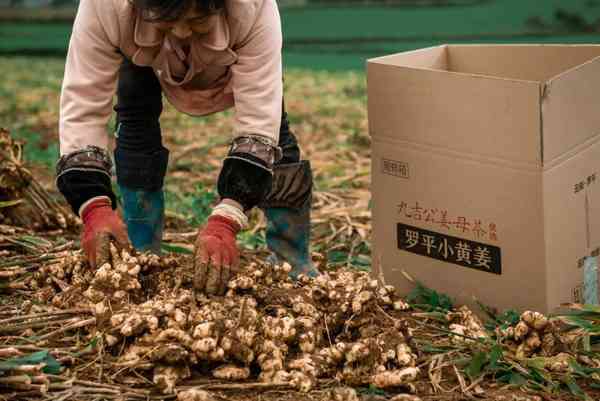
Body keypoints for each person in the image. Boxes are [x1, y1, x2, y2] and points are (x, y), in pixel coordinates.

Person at [55, 0, 319, 294]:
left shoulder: (253, 8)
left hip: (227, 61)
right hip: (142, 52)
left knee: (277, 135)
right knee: (134, 118)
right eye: (168, 22)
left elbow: (259, 126)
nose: (181, 32)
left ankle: (293, 262)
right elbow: (83, 107)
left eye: (197, 20)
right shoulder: (104, 7)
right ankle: (143, 257)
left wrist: (227, 218)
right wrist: (93, 205)